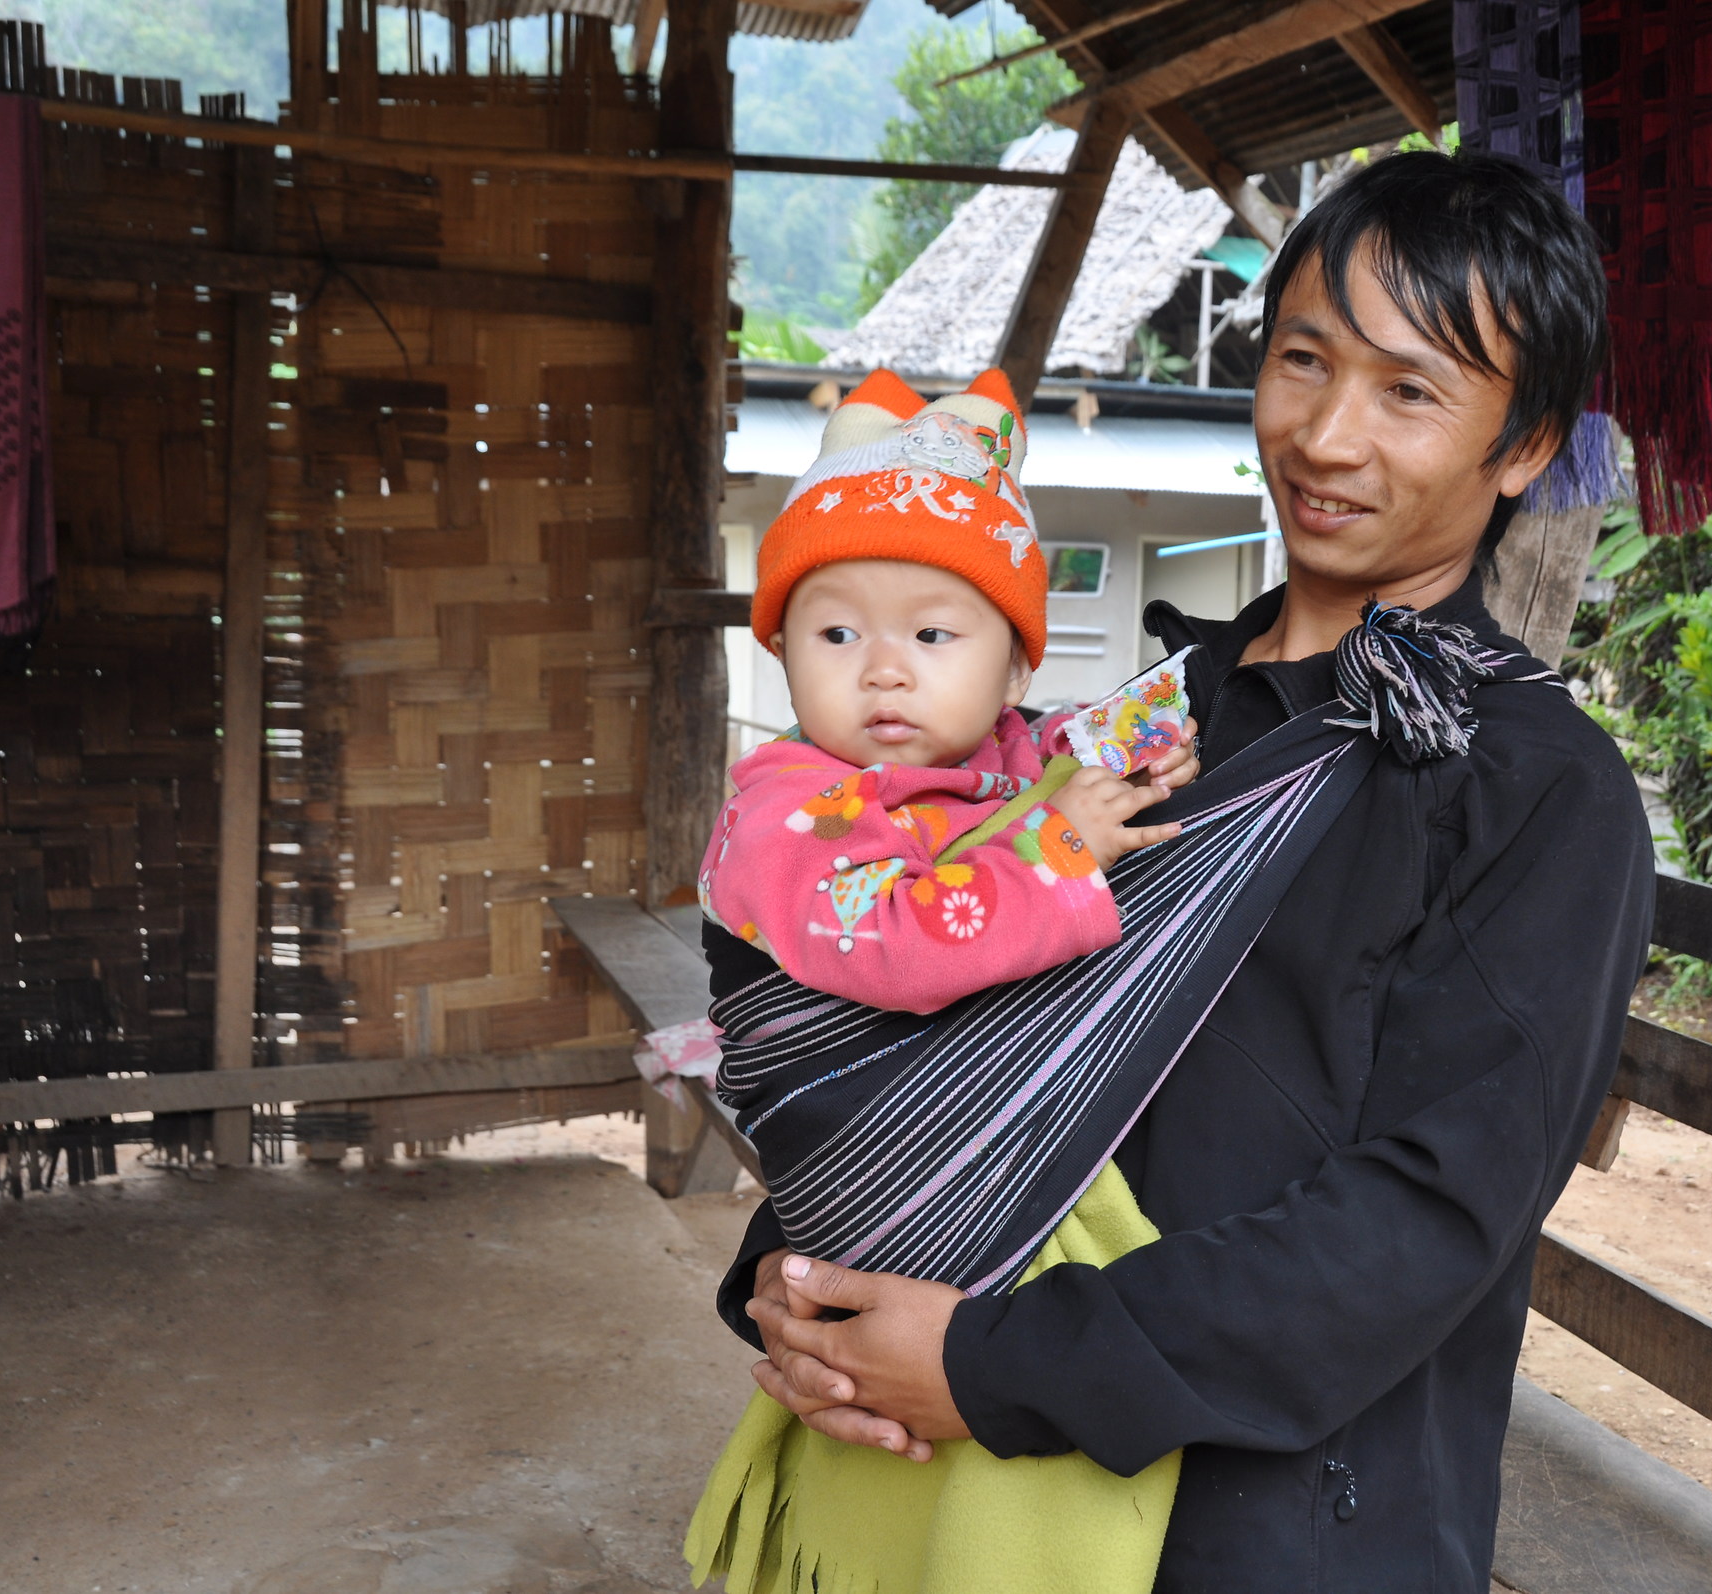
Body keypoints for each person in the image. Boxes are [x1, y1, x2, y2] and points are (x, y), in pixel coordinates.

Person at [716, 149, 1657, 1592]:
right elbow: (923, 1005)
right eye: (1303, 361)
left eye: (1409, 392)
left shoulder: (1531, 791)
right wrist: (799, 1280)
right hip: (963, 1493)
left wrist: (987, 1362)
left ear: (1524, 444)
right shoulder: (1135, 728)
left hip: (1275, 1530)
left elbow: (1422, 1220)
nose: (1327, 436)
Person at [694, 365, 1193, 1019]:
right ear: (784, 655)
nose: (885, 670)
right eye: (839, 633)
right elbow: (895, 953)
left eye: (931, 633)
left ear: (1015, 670)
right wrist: (1060, 846)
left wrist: (1138, 754)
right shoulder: (785, 817)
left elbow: (1045, 749)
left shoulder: (999, 743)